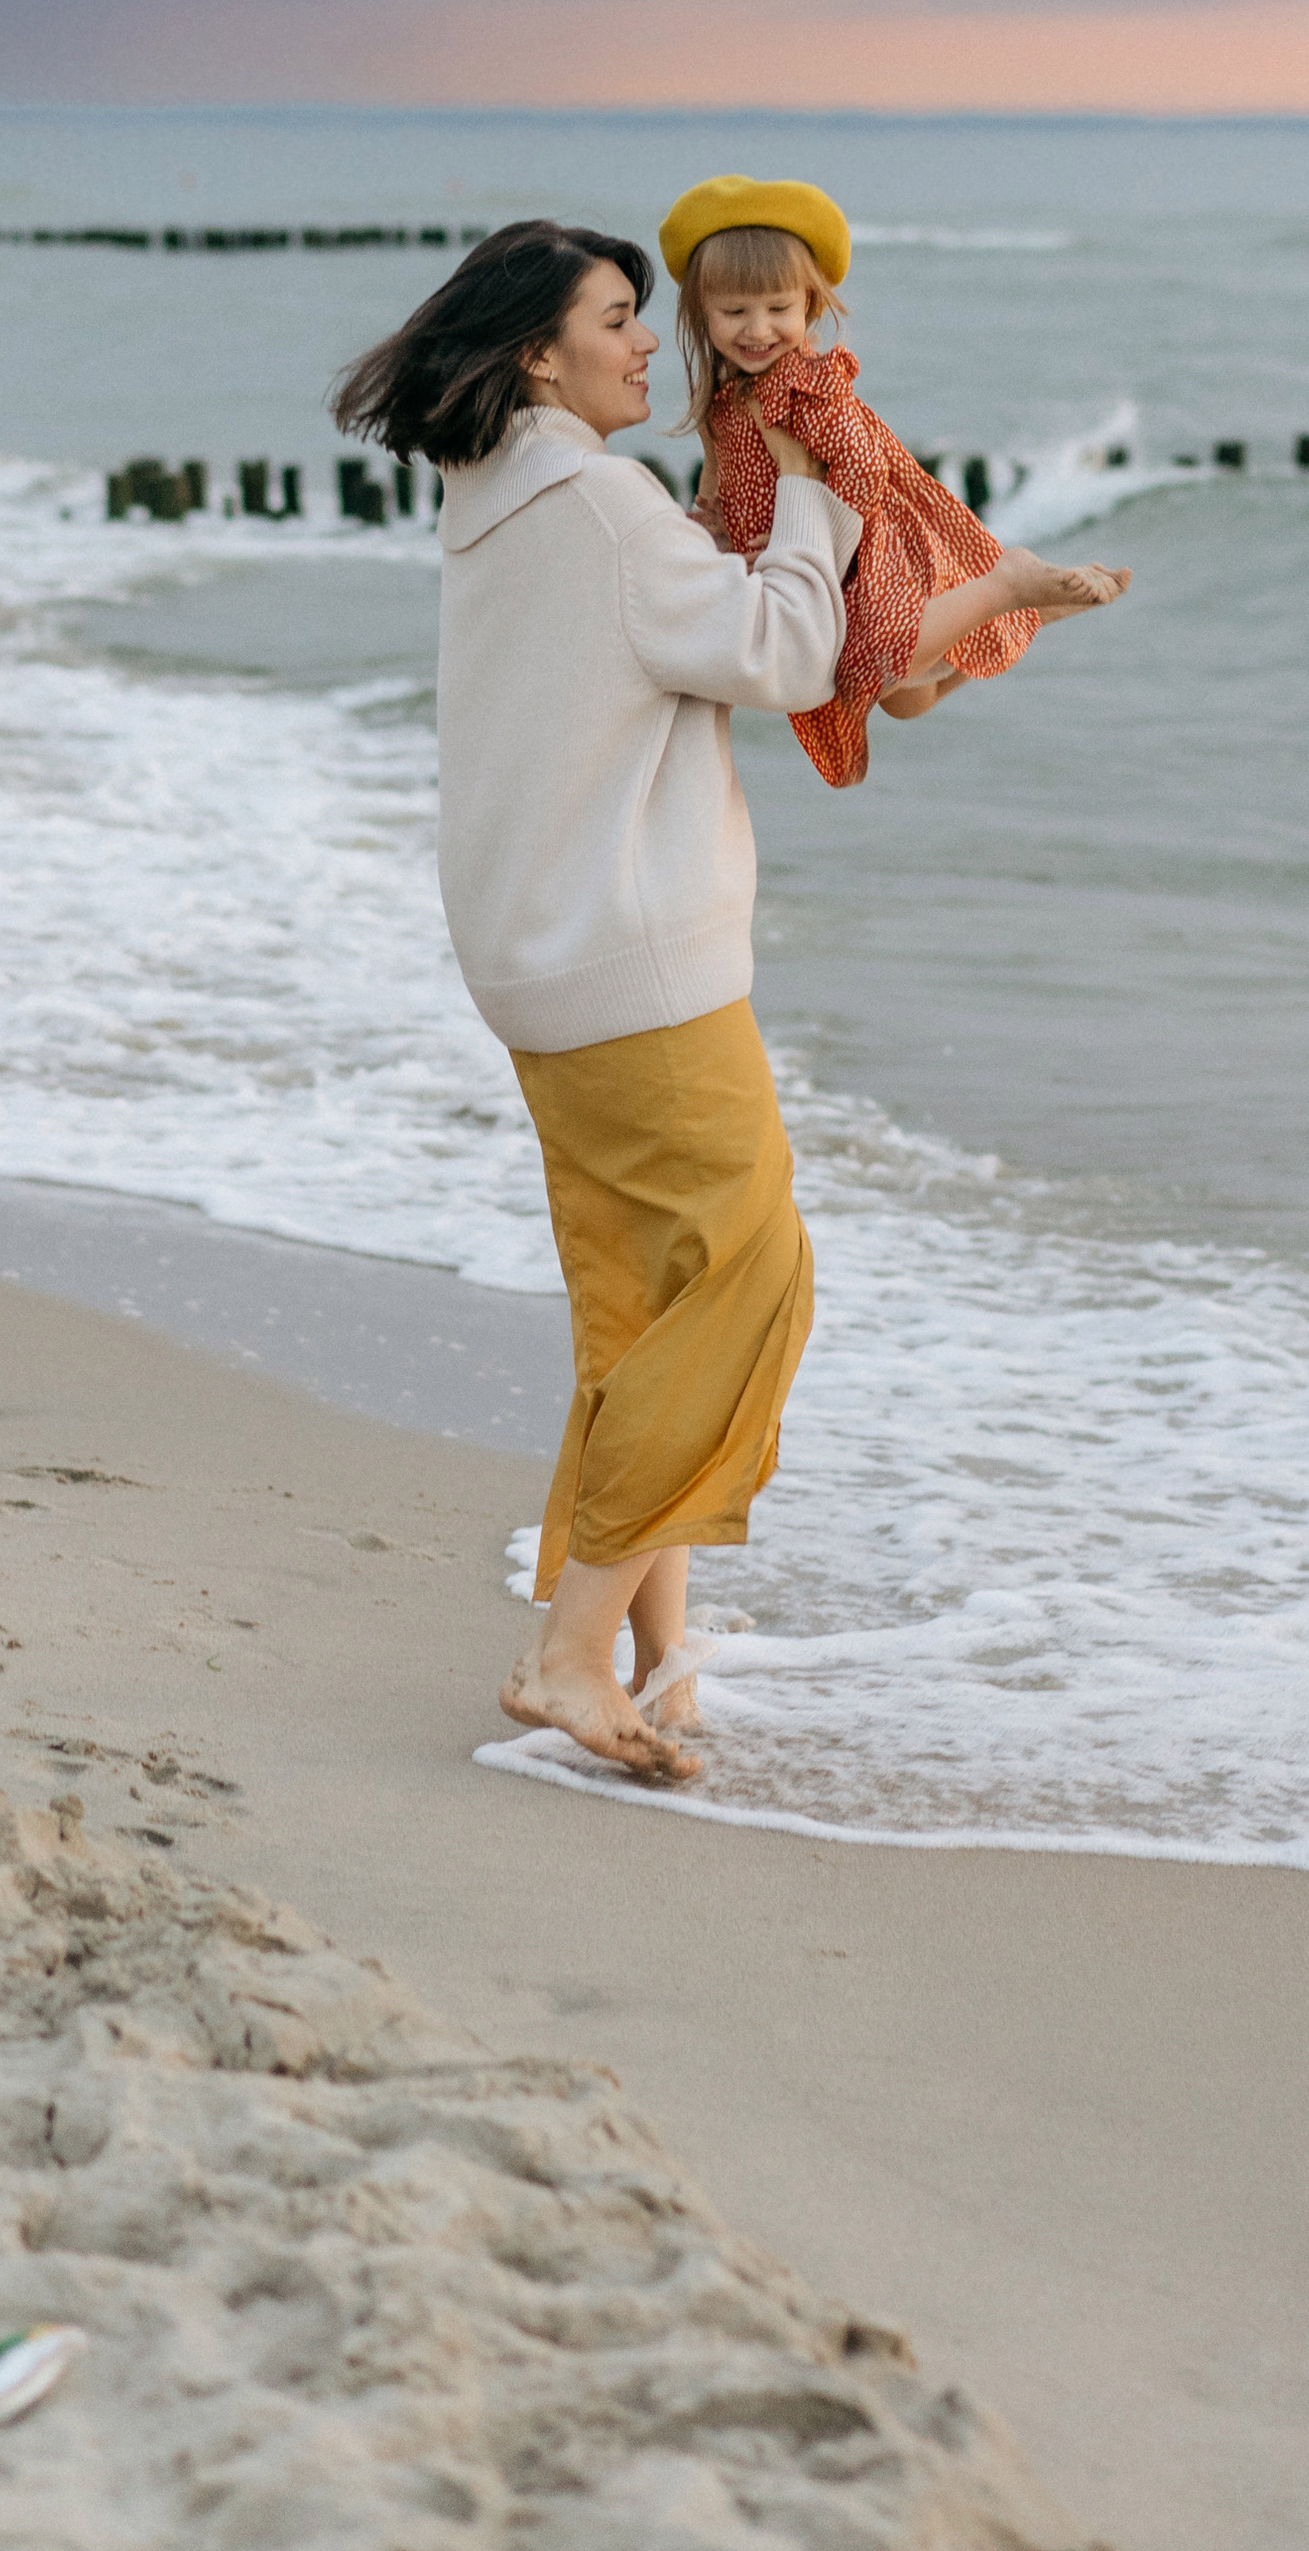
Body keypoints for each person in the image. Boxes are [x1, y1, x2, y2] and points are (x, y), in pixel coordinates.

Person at [330, 219, 860, 1784]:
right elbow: (785, 652)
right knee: (752, 1275)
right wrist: (822, 485)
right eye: (621, 320)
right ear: (536, 355)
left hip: (533, 955)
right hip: (635, 962)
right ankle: (566, 1651)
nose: (650, 343)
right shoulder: (601, 503)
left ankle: (656, 1658)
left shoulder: (492, 494)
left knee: (641, 1306)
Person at [662, 171, 1131, 789]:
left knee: (878, 668)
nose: (757, 330)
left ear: (811, 305)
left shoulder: (806, 389)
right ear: (702, 310)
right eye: (734, 311)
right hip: (796, 562)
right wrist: (716, 518)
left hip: (859, 556)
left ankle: (1010, 586)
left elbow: (862, 467)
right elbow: (719, 474)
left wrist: (805, 544)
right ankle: (1025, 615)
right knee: (910, 701)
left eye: (779, 309)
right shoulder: (725, 395)